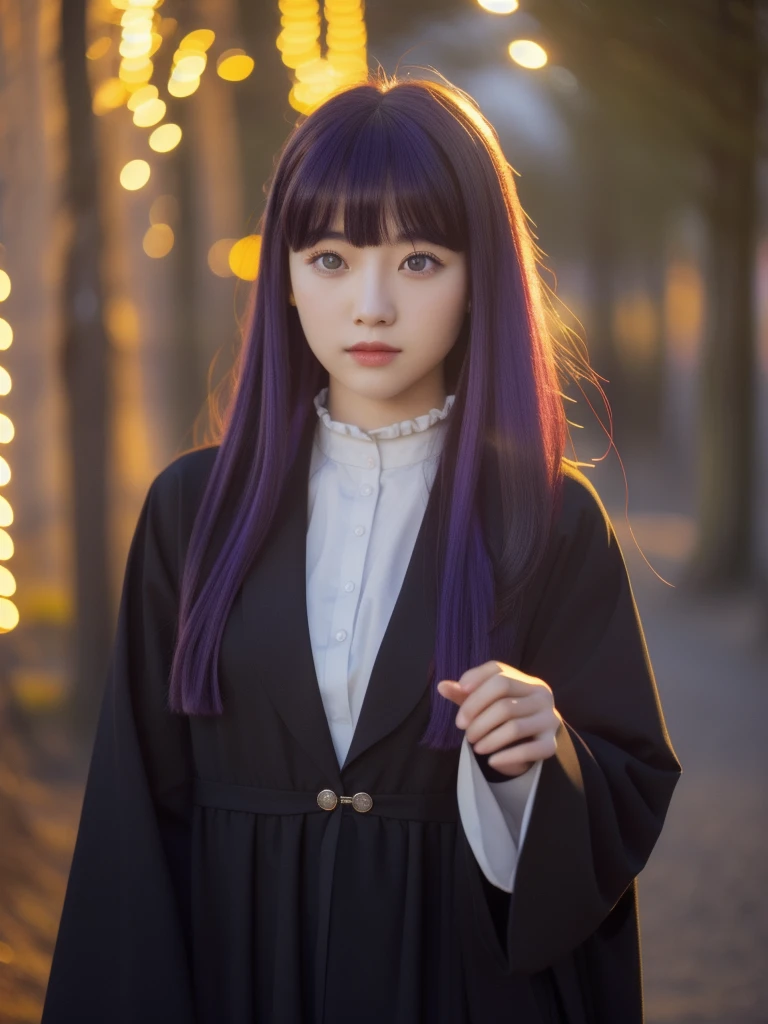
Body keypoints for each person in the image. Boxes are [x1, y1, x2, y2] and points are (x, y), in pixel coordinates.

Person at [41, 73, 681, 1024]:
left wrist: (538, 757)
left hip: (454, 978)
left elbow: (622, 791)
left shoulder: (545, 517)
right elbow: (137, 819)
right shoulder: (194, 512)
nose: (371, 305)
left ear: (478, 279)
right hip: (238, 971)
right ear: (287, 277)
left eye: (419, 261)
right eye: (331, 259)